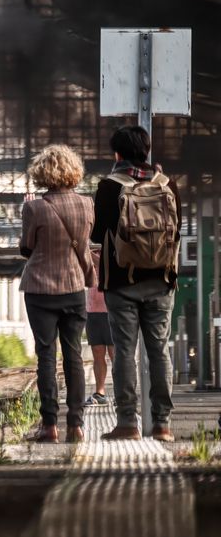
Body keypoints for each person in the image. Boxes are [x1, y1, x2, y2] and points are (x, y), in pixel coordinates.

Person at [92, 125, 181, 442]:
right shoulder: (168, 184)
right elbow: (176, 230)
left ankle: (127, 423)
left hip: (121, 281)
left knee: (125, 352)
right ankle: (162, 425)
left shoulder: (109, 186)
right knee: (159, 352)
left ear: (117, 154)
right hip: (161, 280)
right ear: (147, 150)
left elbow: (96, 234)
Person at [19, 144, 95, 444]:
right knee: (73, 355)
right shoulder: (87, 204)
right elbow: (85, 242)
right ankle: (76, 425)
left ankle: (49, 426)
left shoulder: (34, 208)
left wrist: (26, 214)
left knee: (46, 356)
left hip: (39, 290)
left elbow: (27, 248)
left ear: (42, 173)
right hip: (74, 287)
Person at [84, 268, 115, 407]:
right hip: (93, 309)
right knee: (97, 353)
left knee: (115, 354)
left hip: (113, 307)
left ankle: (121, 393)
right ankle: (100, 393)